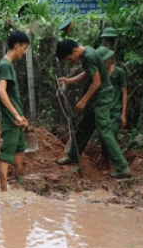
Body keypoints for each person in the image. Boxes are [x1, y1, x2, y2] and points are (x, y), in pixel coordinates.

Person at [55, 39, 130, 178]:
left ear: (75, 51)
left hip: (102, 96)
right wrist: (69, 81)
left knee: (104, 130)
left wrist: (83, 100)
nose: (70, 61)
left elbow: (96, 82)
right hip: (97, 96)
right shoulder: (87, 51)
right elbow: (89, 73)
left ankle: (122, 167)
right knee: (84, 127)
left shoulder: (88, 56)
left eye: (69, 58)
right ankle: (73, 156)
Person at [0, 30, 30, 192]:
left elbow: (10, 95)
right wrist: (15, 115)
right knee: (6, 155)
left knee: (20, 148)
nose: (24, 52)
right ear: (17, 46)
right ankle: (4, 194)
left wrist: (21, 116)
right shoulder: (5, 65)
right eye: (24, 48)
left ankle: (19, 185)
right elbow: (1, 92)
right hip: (10, 121)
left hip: (16, 119)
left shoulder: (8, 65)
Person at [96, 46, 128, 160]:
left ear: (109, 59)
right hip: (103, 109)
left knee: (112, 134)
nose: (104, 63)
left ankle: (114, 161)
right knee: (103, 134)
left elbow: (124, 92)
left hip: (115, 109)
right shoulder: (98, 74)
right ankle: (105, 156)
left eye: (105, 61)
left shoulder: (119, 72)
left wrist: (123, 114)